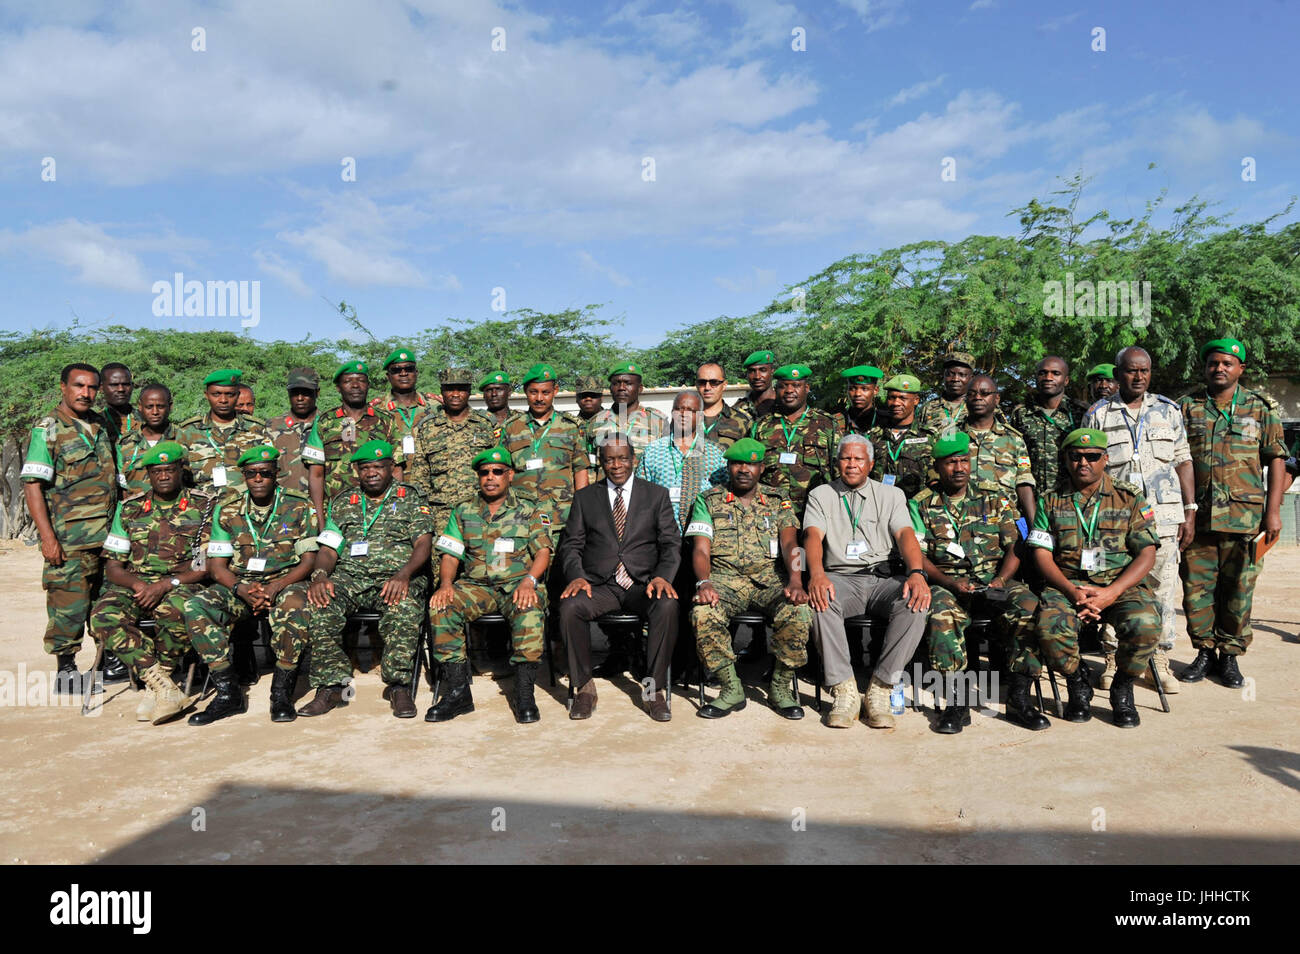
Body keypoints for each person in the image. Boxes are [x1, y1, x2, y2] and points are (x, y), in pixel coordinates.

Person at [908, 433, 1048, 734]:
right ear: (937, 466)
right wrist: (948, 581)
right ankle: (957, 703)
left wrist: (1001, 579)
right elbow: (917, 554)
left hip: (994, 580)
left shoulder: (993, 497)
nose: (958, 468)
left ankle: (1019, 698)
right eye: (950, 462)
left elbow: (1016, 545)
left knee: (1029, 605)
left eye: (963, 460)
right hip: (946, 582)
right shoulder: (920, 504)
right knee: (939, 613)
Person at [1027, 428, 1162, 728]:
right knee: (1050, 629)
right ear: (1066, 460)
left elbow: (1147, 553)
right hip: (1068, 585)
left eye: (1092, 456)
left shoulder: (1129, 498)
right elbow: (1041, 554)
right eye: (1075, 457)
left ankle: (1123, 686)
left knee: (1146, 624)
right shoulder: (1050, 500)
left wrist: (1111, 593)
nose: (1083, 463)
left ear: (1106, 459)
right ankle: (1078, 681)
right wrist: (1071, 590)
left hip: (1120, 585)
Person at [1177, 338, 1288, 689]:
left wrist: (1273, 512)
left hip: (1245, 520)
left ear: (1240, 369)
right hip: (1199, 518)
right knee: (1197, 588)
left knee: (1239, 589)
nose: (1219, 368)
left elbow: (1277, 460)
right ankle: (1204, 652)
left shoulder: (1260, 408)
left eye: (1227, 363)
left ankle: (1230, 657)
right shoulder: (1186, 408)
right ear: (1206, 368)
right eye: (1213, 363)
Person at [1083, 346, 1194, 693]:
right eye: (1131, 371)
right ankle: (1114, 656)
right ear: (1118, 374)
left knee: (1163, 585)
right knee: (1113, 585)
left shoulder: (1168, 410)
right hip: (1113, 521)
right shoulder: (1098, 413)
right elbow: (1085, 467)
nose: (1139, 376)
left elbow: (1183, 460)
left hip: (1163, 517)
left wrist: (1189, 511)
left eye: (1144, 370)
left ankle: (1158, 659)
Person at [803, 434, 931, 729]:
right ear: (837, 463)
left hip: (882, 578)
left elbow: (905, 536)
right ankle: (844, 689)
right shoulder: (821, 494)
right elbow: (812, 535)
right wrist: (817, 574)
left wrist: (916, 573)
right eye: (846, 458)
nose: (852, 464)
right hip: (841, 578)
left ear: (870, 464)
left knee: (916, 601)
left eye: (858, 459)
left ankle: (882, 686)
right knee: (822, 600)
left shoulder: (891, 495)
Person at [301, 440, 434, 719]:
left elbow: (423, 543)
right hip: (352, 576)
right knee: (320, 603)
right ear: (357, 472)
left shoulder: (410, 497)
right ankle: (332, 685)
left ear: (390, 468)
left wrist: (404, 573)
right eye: (365, 468)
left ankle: (398, 686)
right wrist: (321, 575)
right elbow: (328, 549)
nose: (371, 473)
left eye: (377, 466)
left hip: (397, 576)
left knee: (404, 606)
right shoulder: (343, 502)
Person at [186, 446, 318, 724]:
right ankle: (227, 694)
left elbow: (308, 561)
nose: (258, 479)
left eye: (265, 473)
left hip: (284, 583)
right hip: (240, 585)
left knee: (295, 605)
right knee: (195, 605)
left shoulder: (298, 505)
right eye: (251, 474)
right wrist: (239, 589)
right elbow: (217, 566)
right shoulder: (227, 509)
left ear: (276, 475)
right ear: (244, 476)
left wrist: (277, 586)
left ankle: (281, 693)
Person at [426, 447, 554, 724]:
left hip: (516, 584)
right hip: (476, 586)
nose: (490, 477)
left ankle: (524, 693)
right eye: (484, 473)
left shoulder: (529, 509)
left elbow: (543, 551)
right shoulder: (463, 510)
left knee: (528, 610)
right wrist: (446, 583)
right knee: (443, 606)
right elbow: (450, 554)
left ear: (509, 475)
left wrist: (530, 581)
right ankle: (458, 692)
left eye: (497, 472)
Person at [686, 438, 811, 720]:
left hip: (771, 579)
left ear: (761, 467)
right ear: (728, 466)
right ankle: (731, 688)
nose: (743, 469)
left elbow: (792, 545)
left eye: (750, 463)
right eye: (737, 463)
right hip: (725, 579)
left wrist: (795, 580)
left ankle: (780, 687)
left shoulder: (779, 499)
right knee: (703, 613)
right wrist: (703, 582)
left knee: (799, 611)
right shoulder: (709, 499)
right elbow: (701, 549)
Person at [559, 439, 681, 722]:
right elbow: (571, 545)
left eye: (622, 458)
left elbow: (671, 543)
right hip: (600, 585)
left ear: (633, 459)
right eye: (609, 460)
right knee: (569, 608)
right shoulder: (586, 497)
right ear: (601, 463)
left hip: (643, 584)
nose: (616, 465)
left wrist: (663, 576)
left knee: (667, 606)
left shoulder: (656, 495)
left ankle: (653, 690)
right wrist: (577, 576)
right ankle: (584, 688)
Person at [92, 442, 209, 724]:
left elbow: (205, 566)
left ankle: (157, 686)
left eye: (170, 470)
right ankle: (162, 684)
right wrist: (139, 586)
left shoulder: (203, 505)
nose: (164, 476)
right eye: (157, 471)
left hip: (182, 583)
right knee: (103, 616)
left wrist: (166, 584)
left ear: (181, 470)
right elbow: (113, 567)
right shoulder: (130, 509)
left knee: (177, 610)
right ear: (149, 474)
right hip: (136, 583)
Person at [22, 363, 121, 690]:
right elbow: (33, 485)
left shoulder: (99, 423)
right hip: (69, 539)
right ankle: (66, 671)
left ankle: (108, 664)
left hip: (104, 537)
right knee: (68, 606)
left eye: (92, 388)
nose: (86, 393)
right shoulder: (48, 429)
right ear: (63, 387)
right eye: (79, 386)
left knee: (105, 601)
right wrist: (48, 538)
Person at [406, 368, 500, 539]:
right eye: (450, 389)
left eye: (461, 389)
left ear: (469, 391)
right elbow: (420, 478)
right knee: (442, 565)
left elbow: (500, 471)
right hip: (441, 515)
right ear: (441, 392)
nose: (455, 394)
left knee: (479, 564)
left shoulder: (486, 425)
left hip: (480, 511)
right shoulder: (428, 427)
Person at [307, 360, 401, 528]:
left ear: (368, 385)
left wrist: (394, 511)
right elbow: (316, 474)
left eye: (361, 380)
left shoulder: (386, 421)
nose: (355, 385)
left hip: (378, 514)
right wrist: (321, 520)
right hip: (336, 515)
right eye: (348, 381)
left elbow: (397, 469)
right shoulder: (324, 422)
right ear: (338, 387)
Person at [500, 363, 589, 532]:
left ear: (555, 391)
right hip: (520, 517)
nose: (539, 398)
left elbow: (580, 470)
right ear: (526, 391)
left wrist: (582, 512)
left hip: (562, 518)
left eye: (545, 392)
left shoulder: (570, 427)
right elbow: (501, 471)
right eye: (533, 392)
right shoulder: (511, 428)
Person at [751, 364, 841, 517]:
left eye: (796, 385)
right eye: (783, 386)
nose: (789, 391)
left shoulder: (827, 424)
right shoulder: (762, 426)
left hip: (816, 511)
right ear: (776, 389)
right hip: (771, 512)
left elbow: (838, 471)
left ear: (807, 388)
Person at [636, 391, 728, 531]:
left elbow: (725, 497)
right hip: (662, 535)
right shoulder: (653, 450)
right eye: (679, 409)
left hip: (704, 535)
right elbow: (640, 496)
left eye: (691, 410)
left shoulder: (716, 453)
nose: (684, 414)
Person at [175, 368, 269, 493]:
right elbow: (179, 477)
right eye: (216, 394)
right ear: (206, 395)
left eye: (230, 394)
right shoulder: (188, 431)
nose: (223, 400)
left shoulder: (257, 429)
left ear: (237, 395)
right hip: (203, 507)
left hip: (243, 508)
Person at [1009, 356, 1087, 496]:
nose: (1048, 377)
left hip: (1069, 497)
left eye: (1055, 373)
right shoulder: (1021, 414)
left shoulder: (1080, 413)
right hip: (1031, 498)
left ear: (1066, 380)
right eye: (1042, 373)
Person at [963, 374, 1036, 519]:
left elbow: (1024, 483)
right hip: (963, 520)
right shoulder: (952, 437)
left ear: (997, 399)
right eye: (972, 394)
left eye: (985, 393)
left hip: (1004, 522)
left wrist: (1034, 526)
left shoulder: (1014, 439)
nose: (978, 397)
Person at [867, 373, 936, 499]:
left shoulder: (930, 437)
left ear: (916, 400)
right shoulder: (873, 436)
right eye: (891, 398)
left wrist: (917, 503)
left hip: (915, 510)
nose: (895, 403)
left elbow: (936, 481)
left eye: (902, 398)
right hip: (879, 507)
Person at [584, 360, 667, 455]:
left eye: (628, 383)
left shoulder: (658, 421)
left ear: (640, 388)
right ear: (610, 389)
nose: (621, 388)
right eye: (616, 383)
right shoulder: (595, 422)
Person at [266, 367, 326, 495]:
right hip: (284, 507)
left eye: (306, 392)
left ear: (317, 392)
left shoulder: (329, 425)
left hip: (322, 505)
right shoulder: (272, 427)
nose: (300, 398)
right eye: (294, 392)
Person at [117, 384, 178, 499]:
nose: (155, 412)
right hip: (137, 513)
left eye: (160, 406)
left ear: (170, 407)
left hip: (176, 514)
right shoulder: (125, 444)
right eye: (149, 407)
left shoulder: (183, 438)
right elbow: (121, 487)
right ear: (140, 407)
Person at [372, 347, 438, 453]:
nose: (403, 374)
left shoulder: (436, 406)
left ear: (416, 373)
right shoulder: (376, 410)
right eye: (396, 370)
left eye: (409, 369)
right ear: (388, 376)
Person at [917, 351, 975, 435]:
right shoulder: (928, 408)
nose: (955, 379)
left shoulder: (979, 406)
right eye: (950, 374)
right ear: (944, 376)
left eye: (962, 375)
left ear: (971, 378)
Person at [695, 362, 749, 448]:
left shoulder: (742, 421)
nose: (707, 387)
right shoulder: (685, 418)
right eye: (702, 382)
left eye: (714, 382)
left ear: (724, 385)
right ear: (696, 385)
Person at [830, 365, 884, 435]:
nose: (857, 394)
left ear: (875, 390)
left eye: (864, 389)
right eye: (852, 388)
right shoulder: (834, 423)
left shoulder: (885, 422)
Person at [735, 350, 777, 420]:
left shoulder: (784, 405)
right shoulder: (738, 409)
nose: (757, 376)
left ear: (772, 371)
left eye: (763, 370)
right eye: (752, 371)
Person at [100, 362, 137, 444]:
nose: (121, 389)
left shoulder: (148, 420)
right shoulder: (95, 423)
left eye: (126, 384)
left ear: (132, 386)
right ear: (101, 388)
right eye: (114, 385)